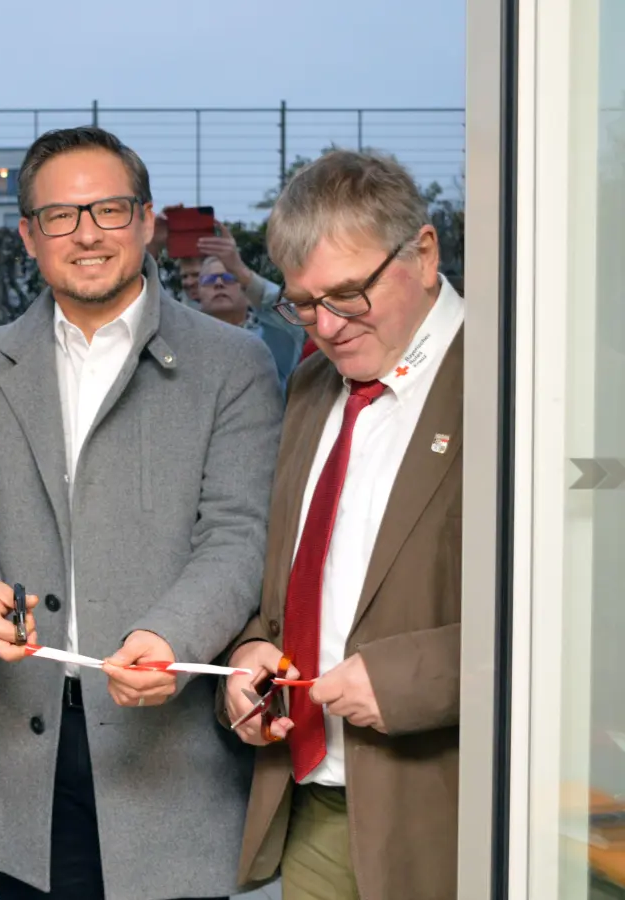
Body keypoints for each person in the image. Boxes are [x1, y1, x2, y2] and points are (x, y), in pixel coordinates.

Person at [0, 125, 283, 899]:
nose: (87, 234)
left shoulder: (232, 364)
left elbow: (240, 533)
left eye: (110, 210)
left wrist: (169, 636)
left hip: (170, 753)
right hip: (27, 744)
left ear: (147, 221)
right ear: (28, 235)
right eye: (60, 216)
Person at [221, 149, 463, 900]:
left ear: (424, 254)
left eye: (349, 293)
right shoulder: (312, 383)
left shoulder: (519, 379)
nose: (325, 326)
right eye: (303, 302)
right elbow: (290, 569)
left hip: (453, 806)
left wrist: (408, 680)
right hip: (316, 798)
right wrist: (252, 649)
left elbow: (581, 618)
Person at [198, 256, 300, 388]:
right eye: (209, 280)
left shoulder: (270, 336)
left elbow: (290, 317)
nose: (218, 283)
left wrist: (245, 275)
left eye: (230, 277)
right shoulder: (188, 341)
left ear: (248, 294)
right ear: (199, 294)